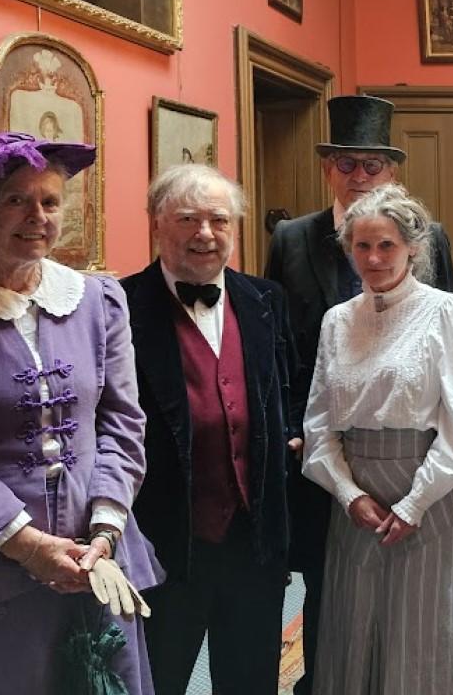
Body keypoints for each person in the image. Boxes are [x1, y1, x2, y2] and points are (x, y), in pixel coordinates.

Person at [0, 133, 160, 693]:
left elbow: (122, 423)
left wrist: (105, 531)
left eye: (50, 201)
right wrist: (29, 546)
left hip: (94, 559)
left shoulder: (99, 301)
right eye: (16, 199)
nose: (36, 216)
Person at [263, 93, 453, 695]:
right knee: (332, 584)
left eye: (372, 164)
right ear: (328, 167)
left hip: (411, 450)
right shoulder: (293, 238)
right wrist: (298, 428)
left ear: (392, 171)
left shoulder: (433, 238)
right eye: (346, 163)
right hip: (321, 447)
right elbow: (278, 345)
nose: (359, 176)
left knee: (417, 595)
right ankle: (327, 680)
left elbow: (452, 349)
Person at [122, 165, 299, 695]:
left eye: (219, 220)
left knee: (249, 679)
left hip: (255, 541)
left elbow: (286, 388)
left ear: (236, 228)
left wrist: (291, 434)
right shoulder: (119, 307)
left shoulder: (266, 299)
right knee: (158, 679)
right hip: (166, 542)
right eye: (187, 218)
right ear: (157, 223)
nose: (205, 233)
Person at [301, 183, 453, 694]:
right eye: (363, 246)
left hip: (423, 494)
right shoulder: (337, 320)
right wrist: (349, 494)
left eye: (387, 246)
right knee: (353, 630)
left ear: (413, 248)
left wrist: (414, 503)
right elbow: (318, 426)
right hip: (354, 501)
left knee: (422, 632)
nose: (374, 258)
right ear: (348, 249)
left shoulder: (446, 310)